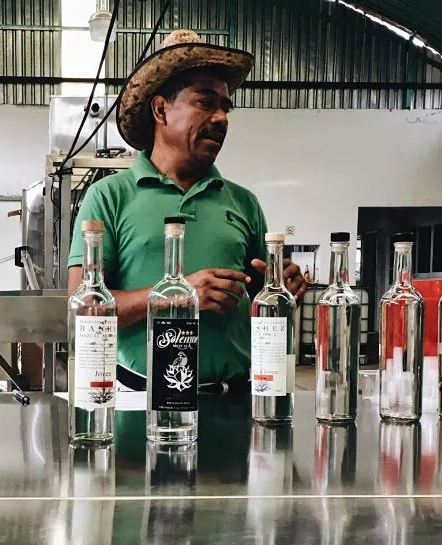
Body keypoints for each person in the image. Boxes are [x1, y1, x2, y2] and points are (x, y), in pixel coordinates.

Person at [67, 29, 307, 391]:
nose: (221, 118)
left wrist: (281, 291)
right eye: (206, 103)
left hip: (233, 398)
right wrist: (176, 295)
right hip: (139, 399)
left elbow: (263, 307)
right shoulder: (109, 198)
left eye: (225, 107)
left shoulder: (243, 203)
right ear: (161, 109)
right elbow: (83, 309)